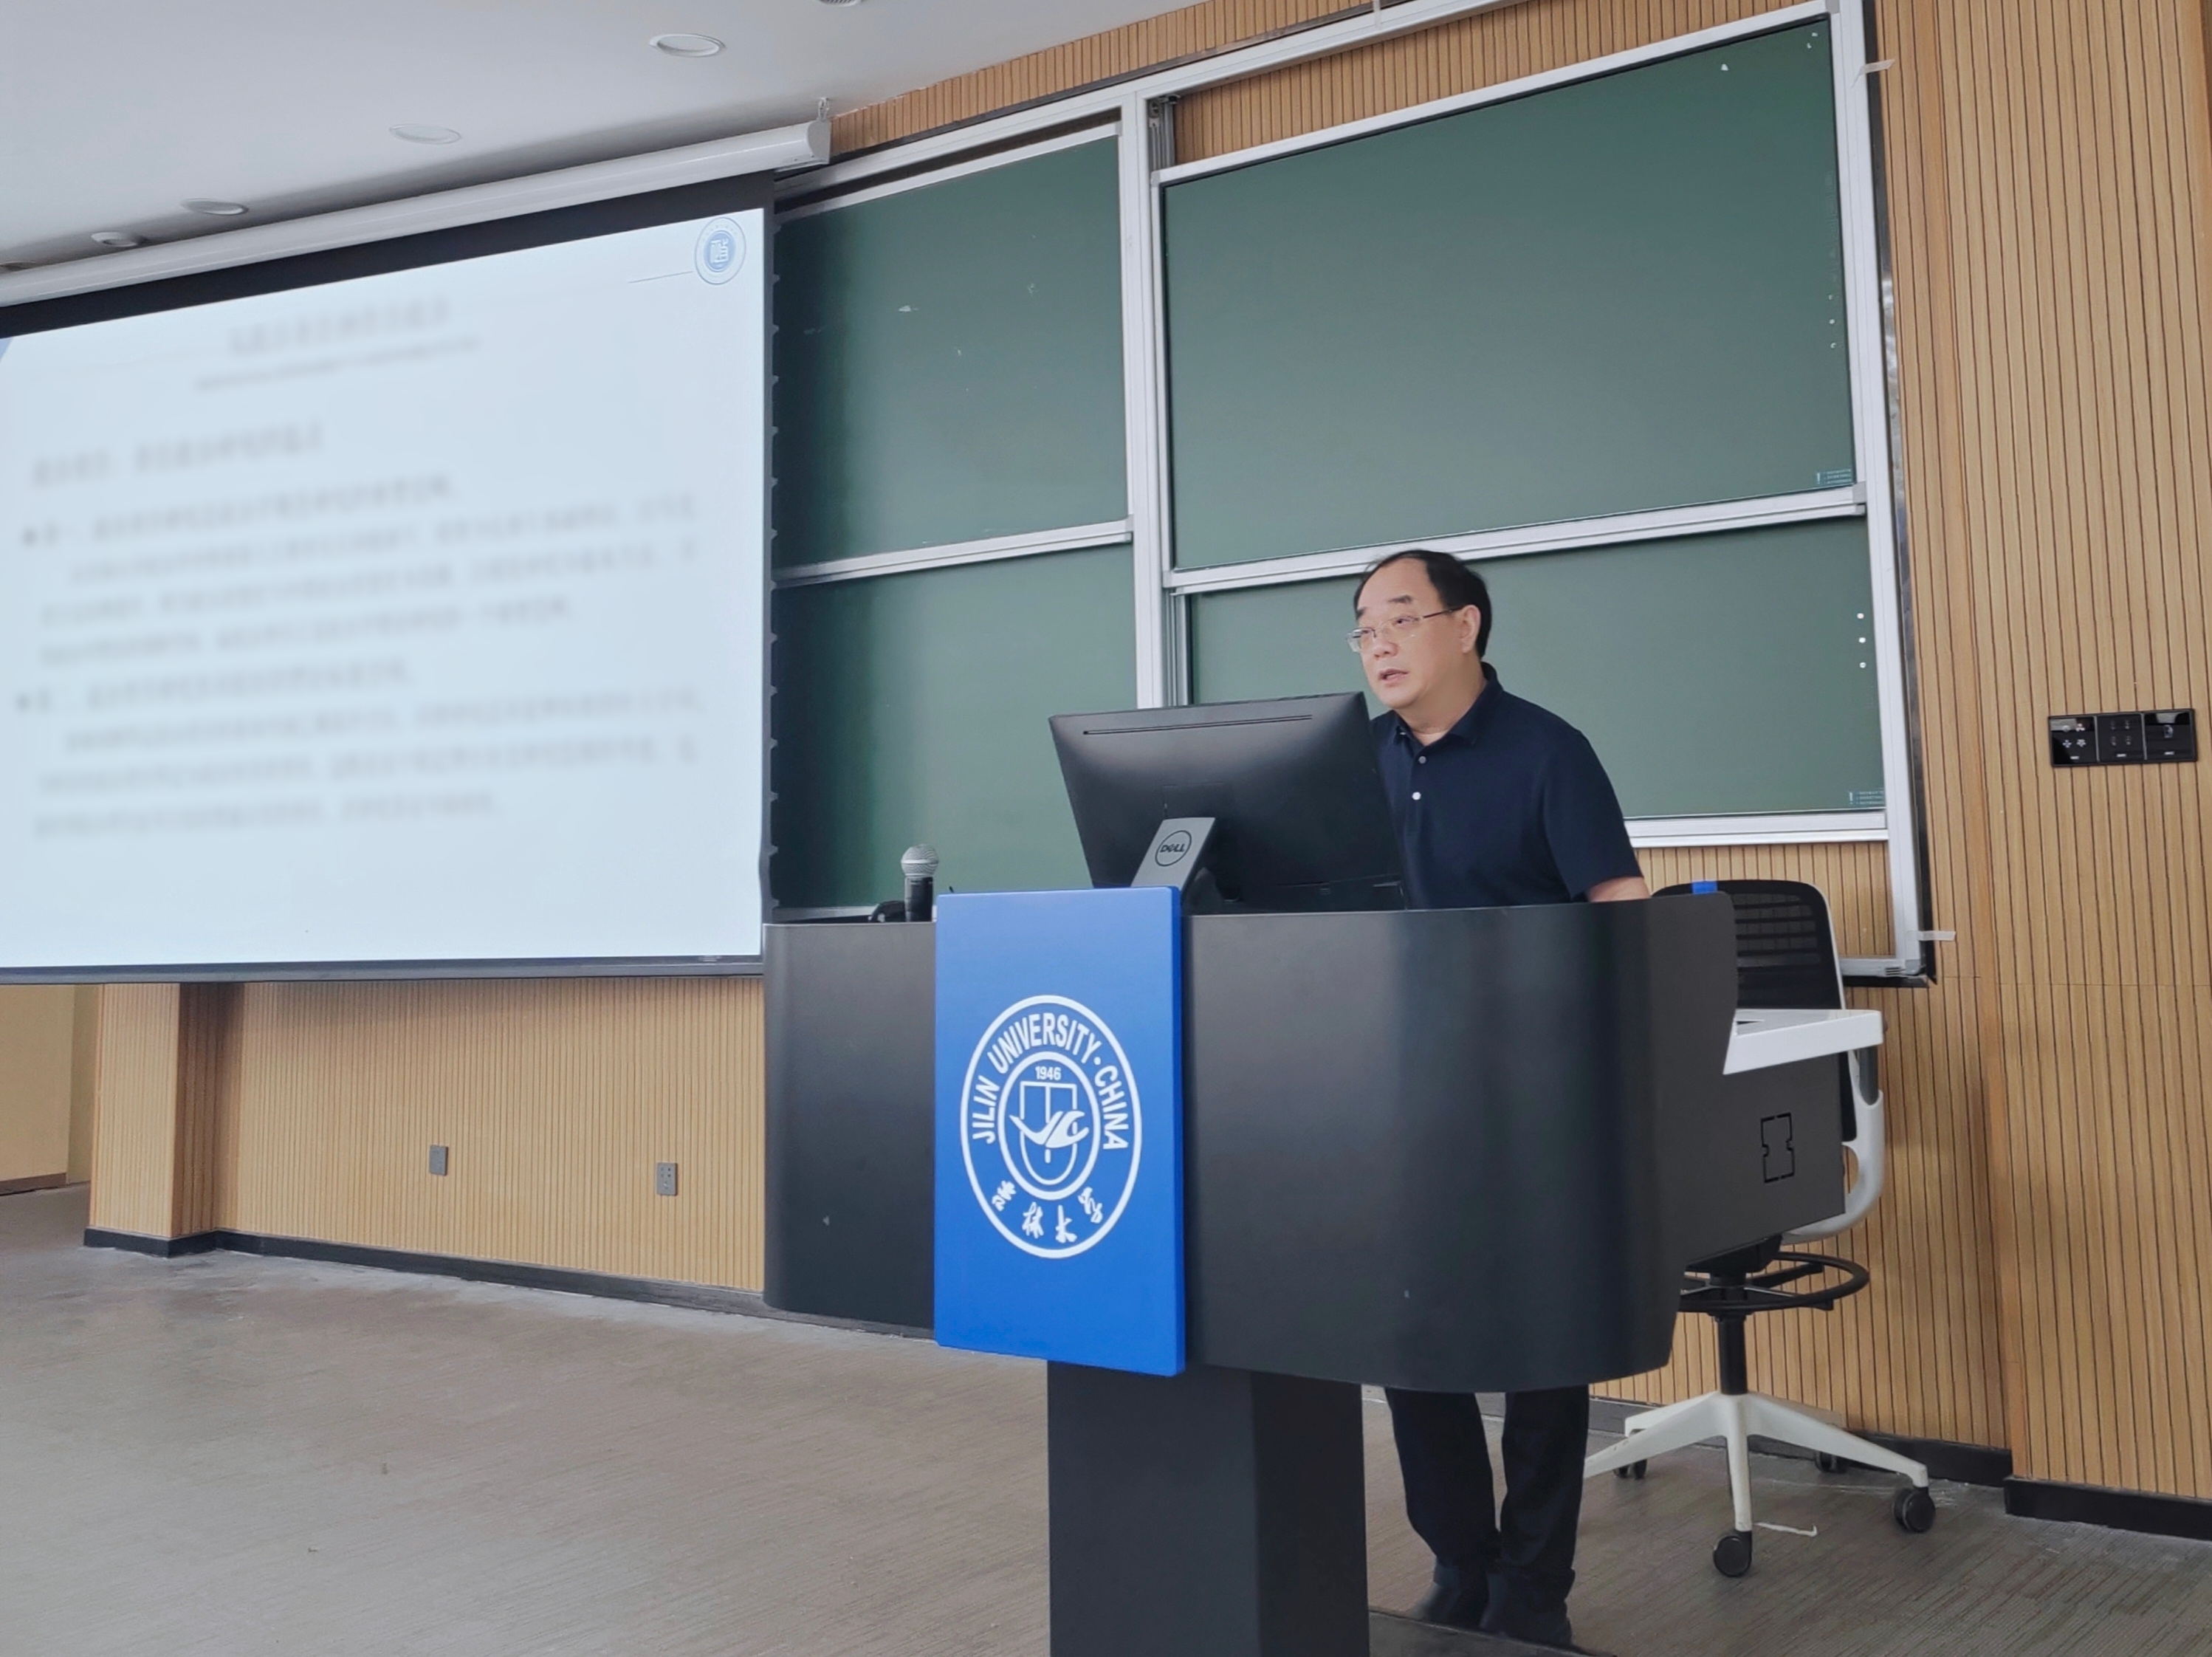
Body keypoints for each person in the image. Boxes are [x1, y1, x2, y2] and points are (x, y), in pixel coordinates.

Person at [1350, 547, 1646, 1655]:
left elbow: (1619, 907)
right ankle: (1461, 1563)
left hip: (1533, 1096)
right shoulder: (1354, 763)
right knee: (1409, 1337)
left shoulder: (1547, 752)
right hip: (1392, 1094)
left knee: (1538, 1349)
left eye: (1399, 618)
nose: (1378, 643)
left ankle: (1533, 1587)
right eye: (1363, 628)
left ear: (1466, 625)